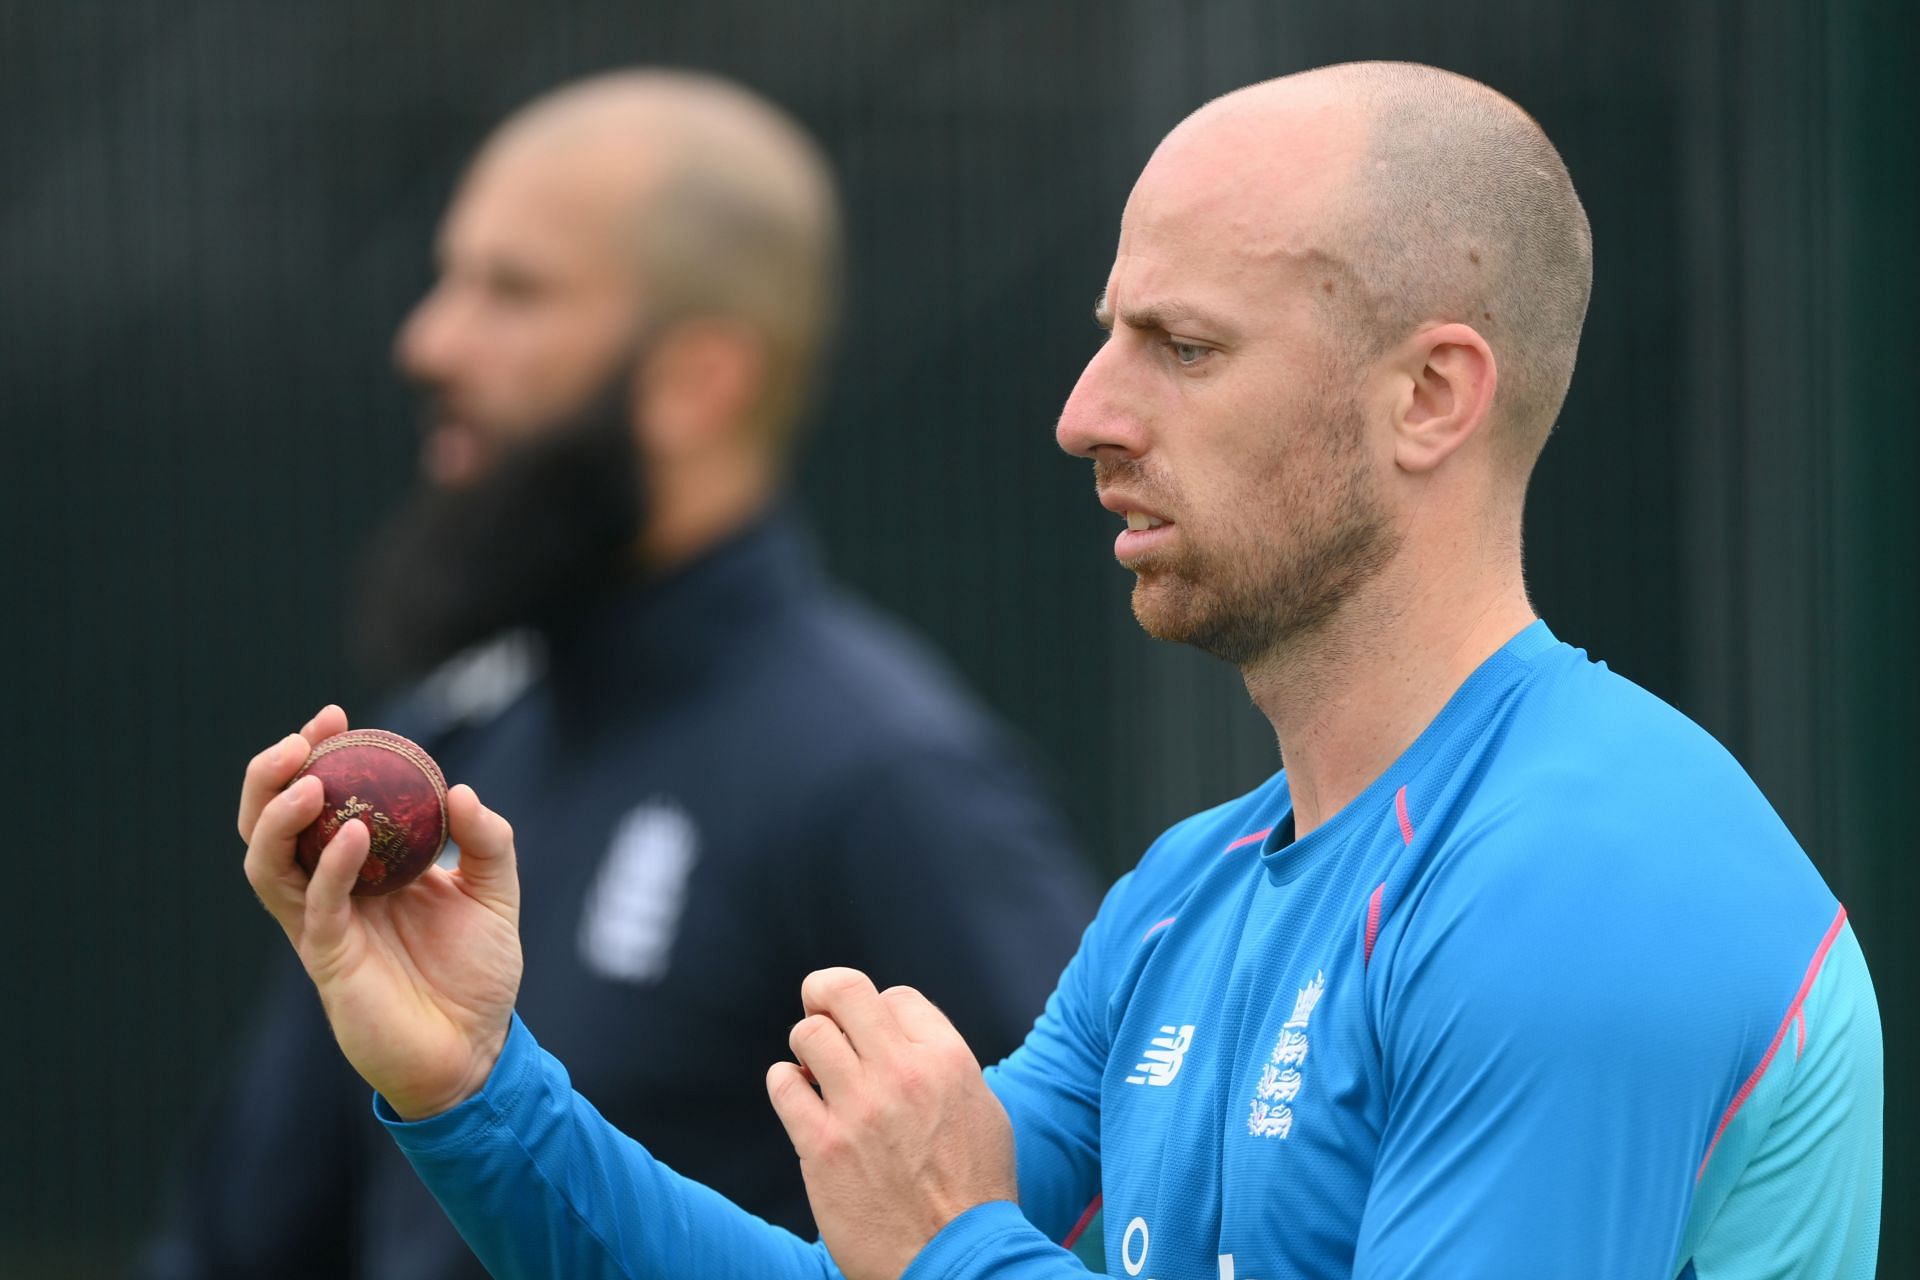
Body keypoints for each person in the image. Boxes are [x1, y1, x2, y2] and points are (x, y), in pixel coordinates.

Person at [232, 61, 1882, 1280]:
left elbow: (933, 1261)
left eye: (1183, 346)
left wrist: (954, 1249)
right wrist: (475, 1089)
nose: (1086, 414)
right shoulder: (1189, 893)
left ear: (1431, 396)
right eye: (1108, 334)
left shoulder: (1583, 878)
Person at [141, 70, 1099, 1279]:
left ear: (698, 378)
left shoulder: (883, 778)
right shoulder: (455, 733)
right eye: (450, 278)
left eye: (514, 290)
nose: (429, 339)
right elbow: (241, 1238)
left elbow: (1076, 1210)